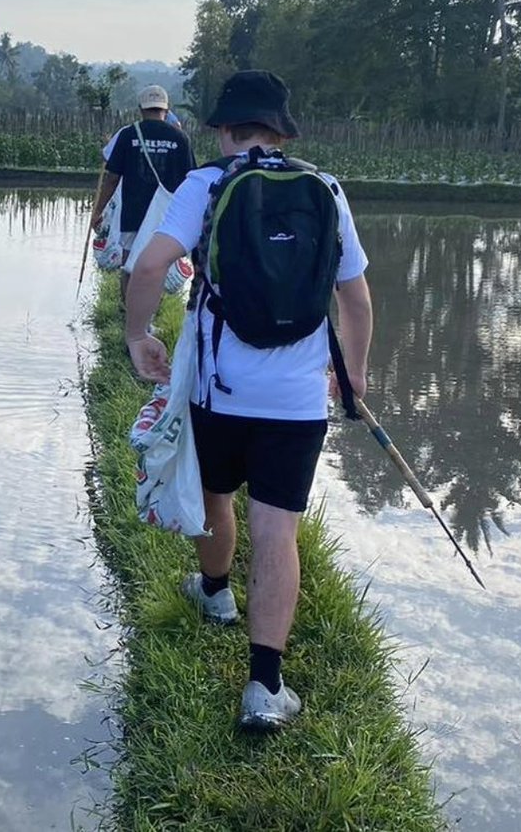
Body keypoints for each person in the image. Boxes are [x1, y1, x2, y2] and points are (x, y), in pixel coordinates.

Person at [123, 69, 373, 732]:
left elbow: (150, 268)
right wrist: (353, 374)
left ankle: (215, 592)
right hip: (296, 400)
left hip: (219, 390)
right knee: (278, 526)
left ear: (225, 131)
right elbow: (355, 298)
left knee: (215, 496)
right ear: (281, 131)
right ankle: (265, 687)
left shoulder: (205, 185)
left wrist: (136, 335)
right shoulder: (326, 188)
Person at [90, 84, 195, 301]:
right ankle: (148, 314)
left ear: (141, 108)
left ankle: (128, 311)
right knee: (158, 264)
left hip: (133, 211)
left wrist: (98, 211)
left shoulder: (128, 135)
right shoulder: (180, 138)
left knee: (129, 263)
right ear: (166, 109)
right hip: (168, 215)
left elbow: (111, 179)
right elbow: (190, 182)